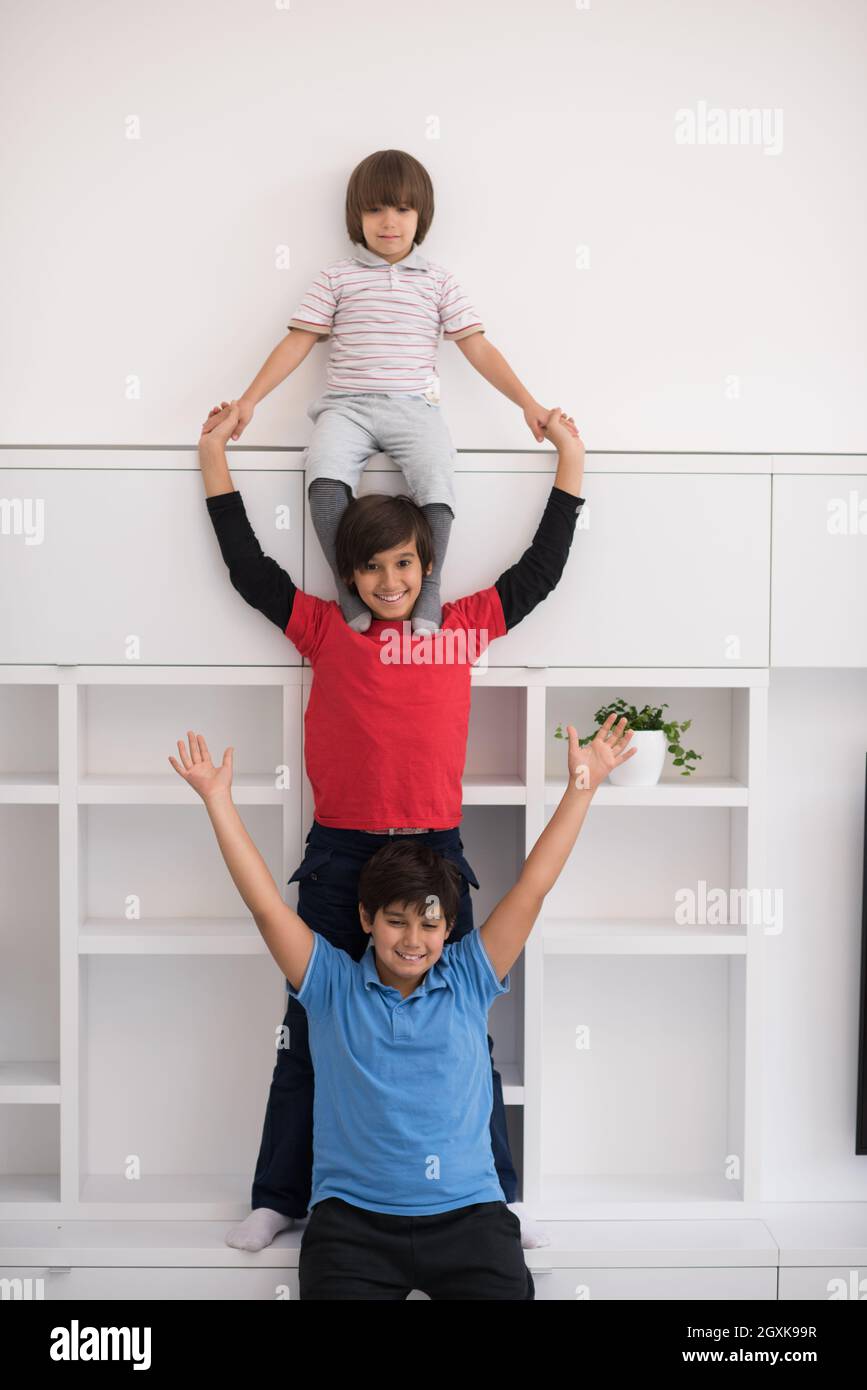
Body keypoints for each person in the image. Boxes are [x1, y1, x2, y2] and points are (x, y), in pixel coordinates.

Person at [198, 396, 585, 1251]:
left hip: (434, 852)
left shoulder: (458, 630)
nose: (388, 582)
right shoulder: (325, 630)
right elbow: (249, 570)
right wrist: (214, 461)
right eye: (371, 568)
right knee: (307, 1032)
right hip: (341, 854)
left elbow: (539, 571)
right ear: (350, 573)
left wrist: (570, 462)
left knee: (462, 1033)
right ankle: (278, 1195)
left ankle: (494, 1198)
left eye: (403, 565)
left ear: (425, 564)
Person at [167, 714, 635, 1298]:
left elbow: (533, 887)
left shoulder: (469, 975)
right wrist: (217, 799)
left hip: (472, 1222)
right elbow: (266, 906)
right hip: (352, 1230)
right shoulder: (330, 984)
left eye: (429, 925)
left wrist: (582, 785)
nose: (412, 941)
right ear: (366, 920)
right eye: (395, 922)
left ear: (448, 928)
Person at [200, 147, 553, 631]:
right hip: (347, 409)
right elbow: (297, 343)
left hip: (414, 408)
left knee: (436, 474)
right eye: (375, 209)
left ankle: (428, 590)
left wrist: (528, 404)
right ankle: (350, 589)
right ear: (357, 216)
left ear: (420, 216)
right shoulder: (336, 278)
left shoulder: (438, 282)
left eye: (403, 209)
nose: (389, 221)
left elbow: (479, 349)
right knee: (322, 477)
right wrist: (247, 401)